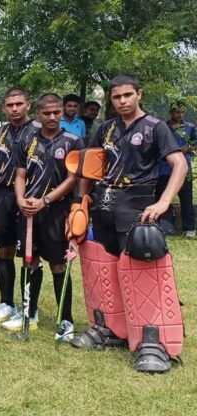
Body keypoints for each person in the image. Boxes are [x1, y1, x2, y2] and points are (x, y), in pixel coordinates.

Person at [74, 75, 187, 373]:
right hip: (103, 207)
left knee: (142, 273)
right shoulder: (106, 128)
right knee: (102, 267)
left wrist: (164, 202)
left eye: (127, 95)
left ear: (139, 95)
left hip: (136, 208)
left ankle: (154, 340)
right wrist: (80, 202)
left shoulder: (155, 127)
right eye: (116, 96)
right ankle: (110, 328)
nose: (122, 101)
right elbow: (89, 166)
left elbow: (180, 164)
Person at [7, 94, 81, 341]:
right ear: (37, 114)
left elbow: (72, 179)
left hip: (56, 211)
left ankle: (65, 320)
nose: (52, 117)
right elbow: (20, 174)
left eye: (56, 112)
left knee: (58, 264)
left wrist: (46, 200)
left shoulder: (72, 141)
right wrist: (21, 199)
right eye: (47, 113)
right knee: (29, 261)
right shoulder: (27, 139)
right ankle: (30, 313)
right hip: (29, 210)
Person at [0, 87, 39, 324]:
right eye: (10, 105)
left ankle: (30, 309)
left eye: (19, 104)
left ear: (28, 104)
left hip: (30, 197)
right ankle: (6, 303)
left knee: (30, 253)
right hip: (4, 195)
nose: (15, 109)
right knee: (4, 250)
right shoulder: (1, 132)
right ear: (3, 108)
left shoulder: (39, 130)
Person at [157, 101, 196, 237]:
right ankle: (163, 226)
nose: (179, 115)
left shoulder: (189, 127)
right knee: (162, 198)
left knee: (186, 200)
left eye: (182, 112)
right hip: (164, 169)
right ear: (171, 112)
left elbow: (195, 143)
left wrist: (188, 149)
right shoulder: (163, 127)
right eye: (177, 112)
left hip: (184, 169)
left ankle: (189, 228)